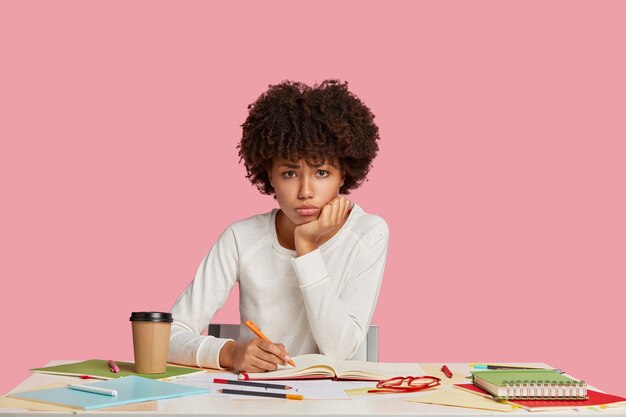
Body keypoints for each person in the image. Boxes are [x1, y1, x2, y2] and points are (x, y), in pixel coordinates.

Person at [168, 79, 389, 373]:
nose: (305, 191)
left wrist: (306, 247)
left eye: (322, 172)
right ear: (269, 175)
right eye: (289, 173)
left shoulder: (367, 233)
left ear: (343, 175)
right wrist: (230, 352)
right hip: (256, 398)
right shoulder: (241, 237)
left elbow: (339, 351)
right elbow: (166, 336)